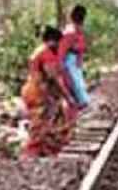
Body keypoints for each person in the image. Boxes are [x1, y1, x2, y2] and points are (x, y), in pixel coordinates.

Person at [22, 26, 77, 158]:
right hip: (38, 93)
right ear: (52, 40)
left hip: (33, 90)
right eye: (59, 42)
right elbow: (55, 78)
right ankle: (32, 154)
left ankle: (42, 152)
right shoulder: (46, 54)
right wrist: (68, 97)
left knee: (44, 123)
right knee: (41, 124)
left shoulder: (39, 51)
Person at [59, 5, 91, 113]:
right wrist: (61, 65)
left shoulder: (77, 30)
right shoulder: (70, 32)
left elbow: (81, 47)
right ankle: (80, 106)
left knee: (78, 84)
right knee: (75, 84)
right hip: (69, 61)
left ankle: (79, 106)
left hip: (75, 60)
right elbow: (62, 51)